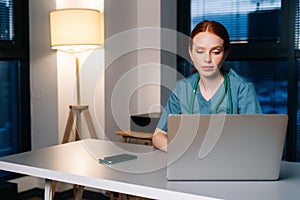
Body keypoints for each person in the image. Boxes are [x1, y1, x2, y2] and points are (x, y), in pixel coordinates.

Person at [152, 20, 262, 152]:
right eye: (200, 51)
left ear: (225, 53)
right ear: (191, 53)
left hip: (229, 163)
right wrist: (180, 151)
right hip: (190, 163)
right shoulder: (182, 88)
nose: (207, 59)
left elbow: (255, 140)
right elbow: (158, 135)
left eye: (215, 52)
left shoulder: (242, 88)